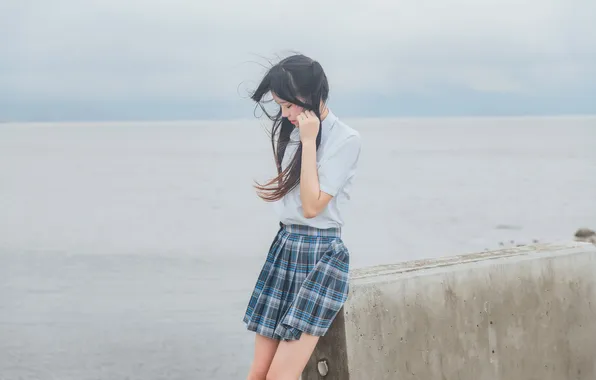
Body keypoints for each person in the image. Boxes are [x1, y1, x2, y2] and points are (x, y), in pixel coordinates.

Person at [243, 53, 362, 380]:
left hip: (320, 254)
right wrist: (301, 135)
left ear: (311, 95)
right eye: (281, 106)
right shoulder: (290, 130)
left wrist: (309, 141)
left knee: (280, 377)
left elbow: (312, 206)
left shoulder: (345, 139)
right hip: (286, 246)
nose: (286, 114)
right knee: (258, 373)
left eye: (289, 105)